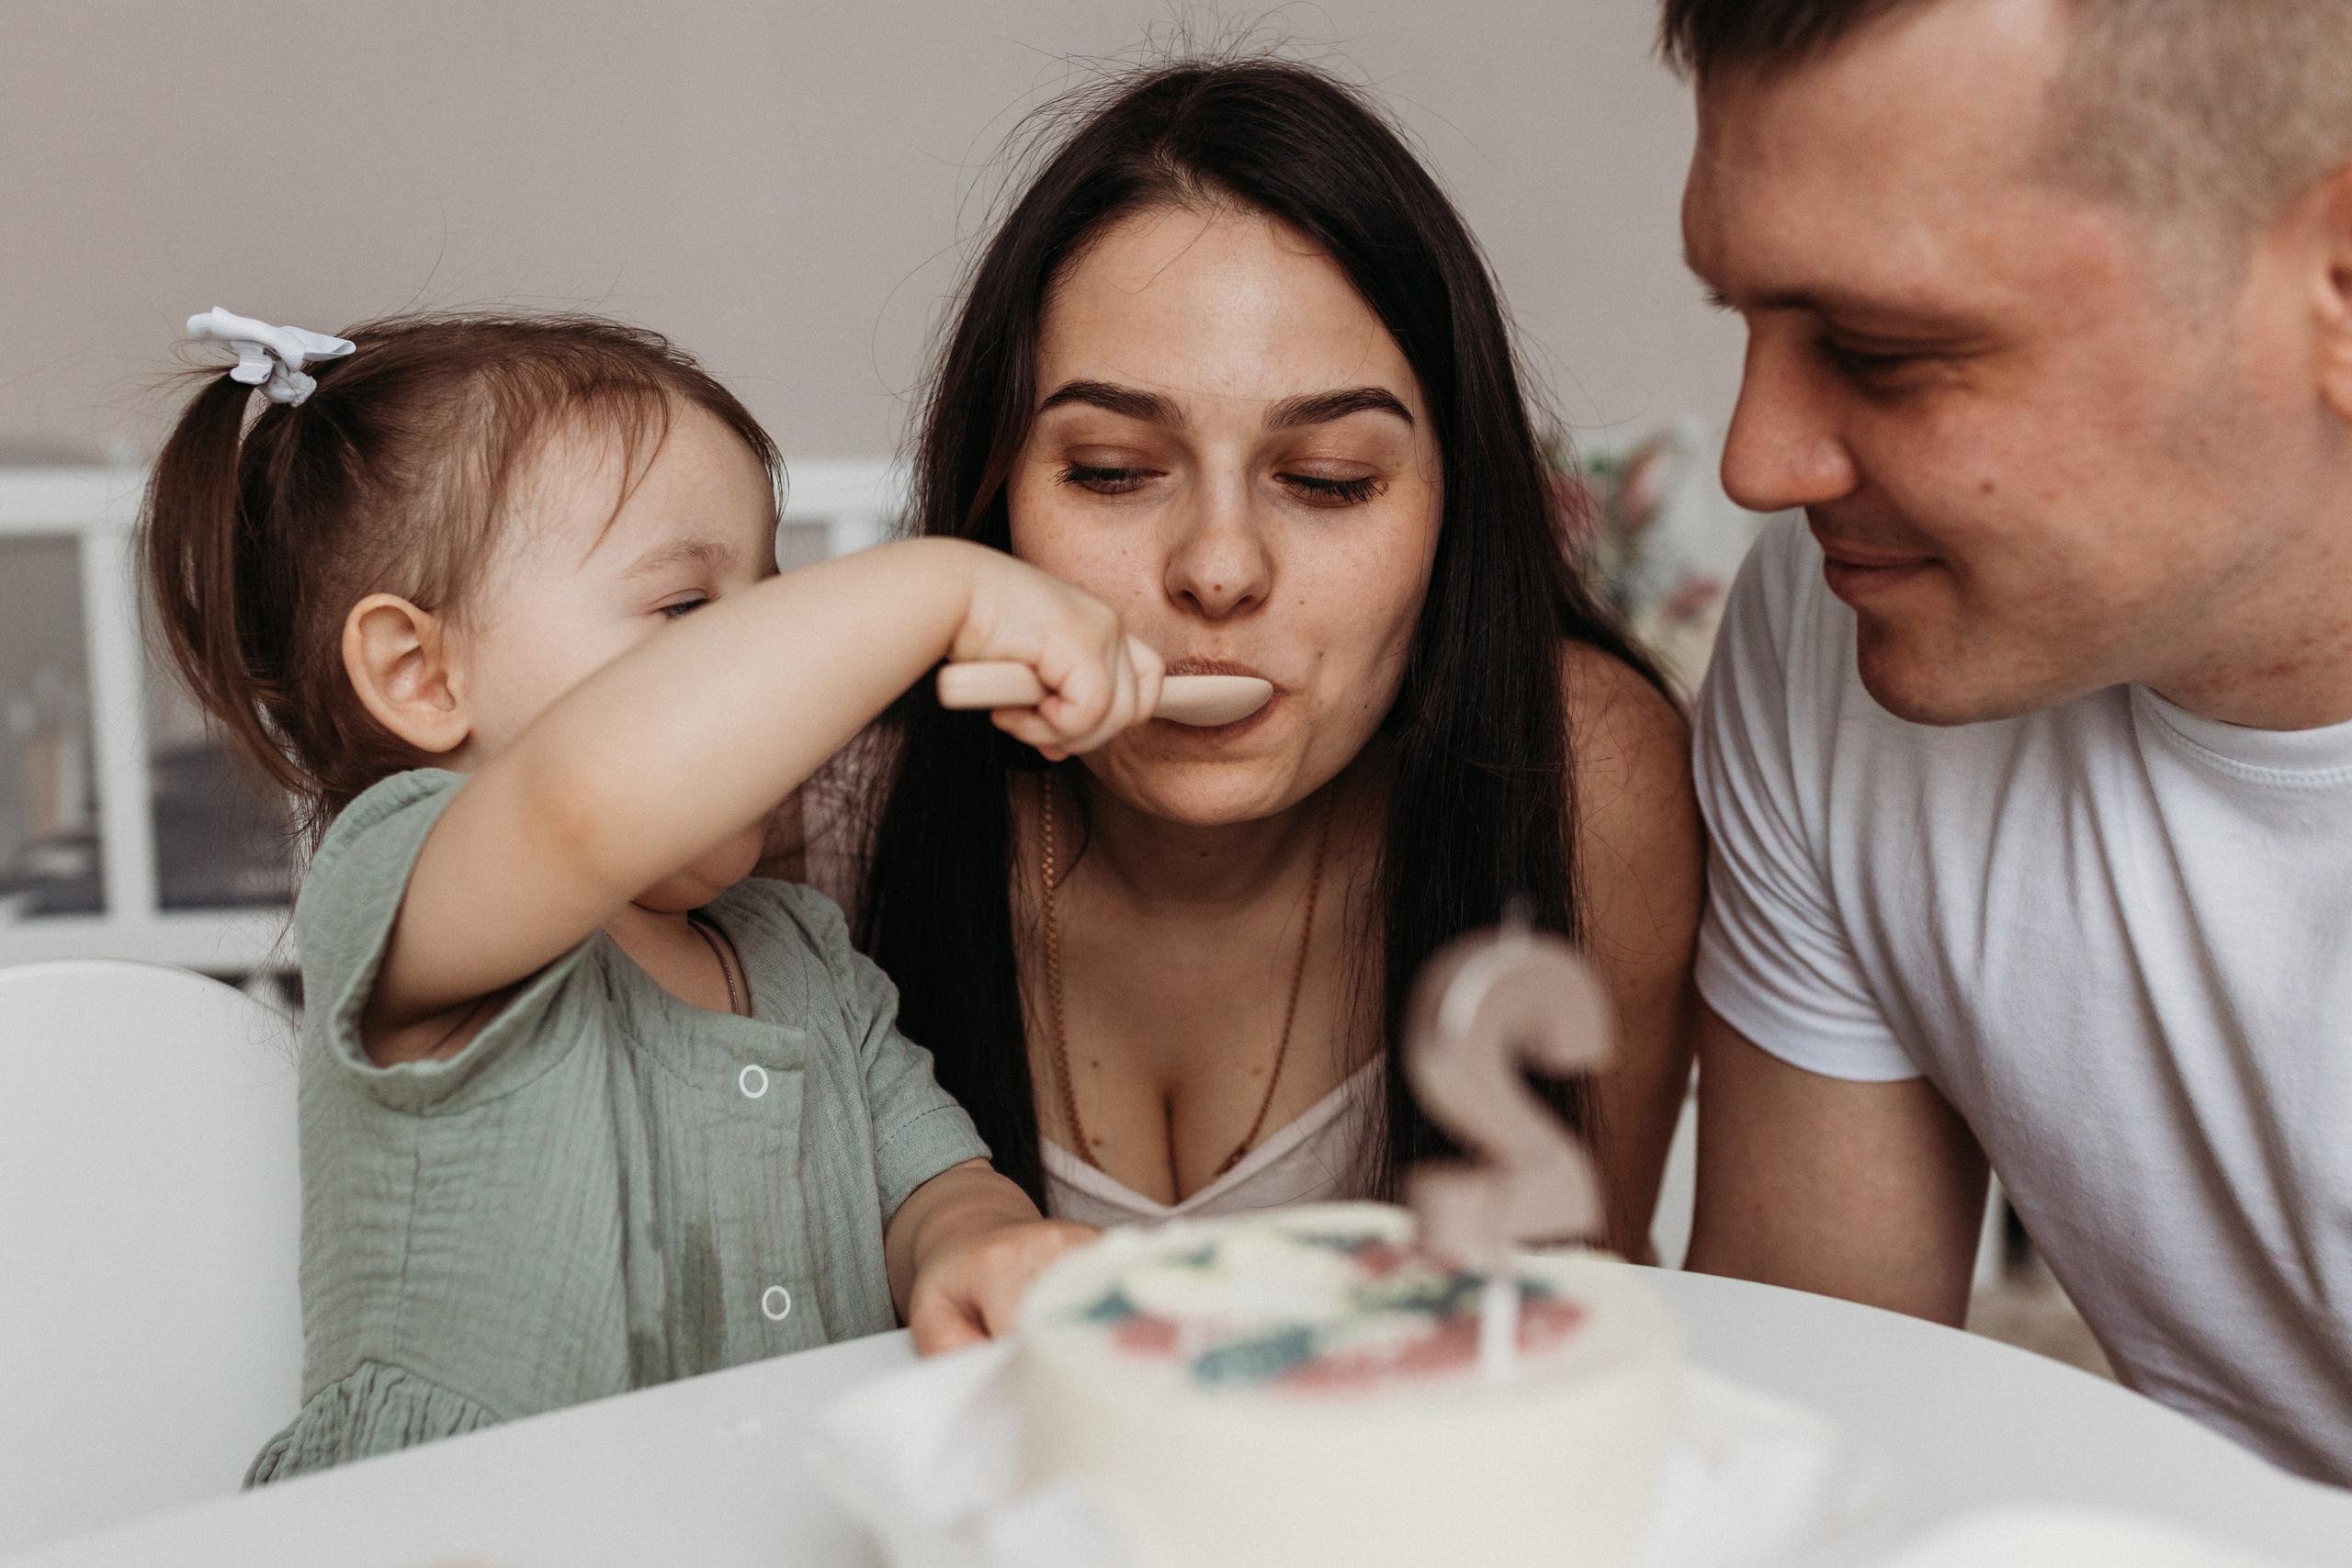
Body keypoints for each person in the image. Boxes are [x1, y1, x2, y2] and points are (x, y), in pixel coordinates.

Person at [141, 310, 1145, 1480]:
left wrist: (977, 1245)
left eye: (773, 612)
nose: (774, 675)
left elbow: (931, 1184)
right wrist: (937, 589)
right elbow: (580, 805)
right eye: (691, 616)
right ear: (421, 676)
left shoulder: (803, 953)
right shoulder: (403, 880)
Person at [839, 60, 1704, 1254]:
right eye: (1111, 470)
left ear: (1455, 510)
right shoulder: (837, 812)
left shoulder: (1586, 772)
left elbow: (1581, 1314)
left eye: (1327, 481)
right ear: (996, 503)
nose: (1219, 568)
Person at [1666, 0, 2352, 1482]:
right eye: (1751, 321)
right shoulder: (1847, 619)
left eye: (1878, 348)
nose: (1759, 462)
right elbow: (1797, 1440)